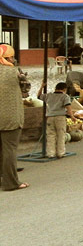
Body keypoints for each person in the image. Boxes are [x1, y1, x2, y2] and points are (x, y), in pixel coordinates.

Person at [0, 44, 28, 191]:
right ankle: (11, 183)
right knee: (9, 150)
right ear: (9, 57)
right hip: (10, 118)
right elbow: (26, 89)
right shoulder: (15, 72)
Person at [38, 81, 72, 159]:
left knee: (50, 135)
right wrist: (72, 116)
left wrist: (42, 87)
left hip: (50, 117)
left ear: (55, 88)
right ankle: (60, 153)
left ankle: (50, 153)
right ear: (64, 89)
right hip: (60, 117)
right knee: (61, 135)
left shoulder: (49, 96)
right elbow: (68, 107)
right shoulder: (65, 96)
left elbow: (39, 96)